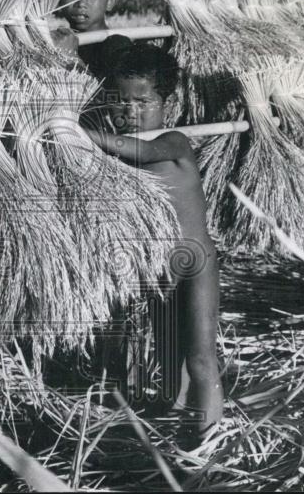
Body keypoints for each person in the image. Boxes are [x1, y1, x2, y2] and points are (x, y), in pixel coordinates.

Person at [85, 44, 224, 439]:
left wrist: (73, 131)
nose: (130, 111)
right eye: (121, 102)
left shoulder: (173, 141)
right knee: (167, 353)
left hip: (195, 262)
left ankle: (208, 441)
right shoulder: (117, 152)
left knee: (199, 358)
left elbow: (141, 150)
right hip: (156, 267)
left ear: (168, 101)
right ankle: (177, 419)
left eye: (143, 101)